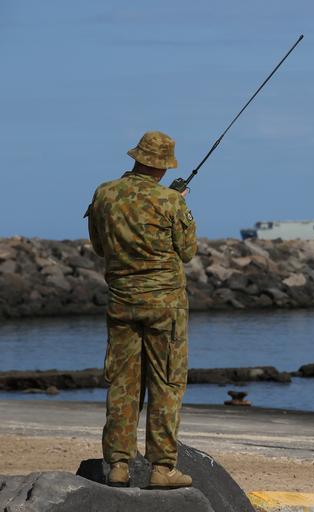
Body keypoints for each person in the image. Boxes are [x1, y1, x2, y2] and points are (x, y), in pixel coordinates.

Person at [86, 131, 197, 488]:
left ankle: (118, 464)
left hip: (122, 301)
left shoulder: (105, 193)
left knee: (122, 383)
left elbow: (99, 246)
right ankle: (161, 468)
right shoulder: (170, 200)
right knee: (166, 382)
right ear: (163, 167)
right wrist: (180, 204)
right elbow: (188, 251)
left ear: (137, 158)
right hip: (165, 305)